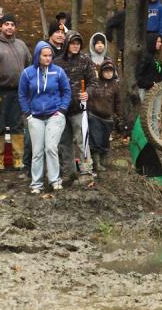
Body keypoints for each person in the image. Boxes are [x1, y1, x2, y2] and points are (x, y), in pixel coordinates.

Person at [18, 41, 71, 193]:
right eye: (44, 55)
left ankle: (55, 180)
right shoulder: (27, 73)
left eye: (50, 56)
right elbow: (22, 95)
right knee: (37, 151)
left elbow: (67, 91)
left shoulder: (58, 72)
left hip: (55, 115)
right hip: (35, 116)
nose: (48, 58)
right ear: (37, 55)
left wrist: (62, 110)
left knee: (51, 147)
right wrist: (28, 114)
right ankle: (36, 184)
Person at [0, 14, 30, 172]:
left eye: (12, 24)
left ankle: (18, 159)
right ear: (0, 26)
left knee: (17, 125)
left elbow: (29, 64)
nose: (10, 27)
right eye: (7, 24)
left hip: (18, 91)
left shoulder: (21, 45)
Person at [55, 31, 96, 181]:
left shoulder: (85, 60)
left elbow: (93, 82)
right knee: (64, 142)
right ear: (66, 44)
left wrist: (88, 93)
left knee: (82, 140)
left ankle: (86, 171)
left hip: (79, 108)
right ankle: (68, 172)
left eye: (78, 43)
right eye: (73, 43)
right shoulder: (57, 62)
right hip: (62, 109)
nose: (76, 46)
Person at [87, 59, 123, 173]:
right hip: (94, 116)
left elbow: (118, 102)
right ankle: (96, 163)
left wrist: (120, 115)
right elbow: (89, 97)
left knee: (104, 140)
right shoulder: (95, 83)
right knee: (95, 139)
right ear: (101, 71)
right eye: (106, 71)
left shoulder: (115, 86)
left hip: (108, 118)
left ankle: (103, 161)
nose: (108, 73)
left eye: (110, 71)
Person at [135, 35, 162, 101]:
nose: (160, 44)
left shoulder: (157, 57)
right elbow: (139, 76)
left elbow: (160, 73)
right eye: (158, 42)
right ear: (152, 42)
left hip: (157, 90)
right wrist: (150, 84)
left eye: (160, 42)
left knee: (156, 111)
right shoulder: (145, 57)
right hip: (146, 91)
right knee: (144, 111)